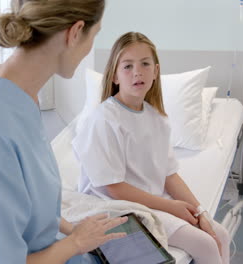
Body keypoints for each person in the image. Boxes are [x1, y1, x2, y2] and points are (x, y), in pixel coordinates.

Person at [0, 1, 128, 263]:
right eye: (95, 35)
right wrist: (76, 242)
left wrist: (77, 232)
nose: (91, 46)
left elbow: (25, 202)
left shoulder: (20, 97)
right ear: (75, 32)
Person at [72, 32, 230, 264]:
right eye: (127, 66)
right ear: (114, 75)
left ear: (155, 72)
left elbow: (169, 175)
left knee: (221, 236)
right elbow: (113, 188)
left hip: (151, 201)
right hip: (118, 206)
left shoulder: (157, 118)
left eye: (145, 64)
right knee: (205, 244)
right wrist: (171, 207)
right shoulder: (104, 119)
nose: (137, 71)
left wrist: (200, 212)